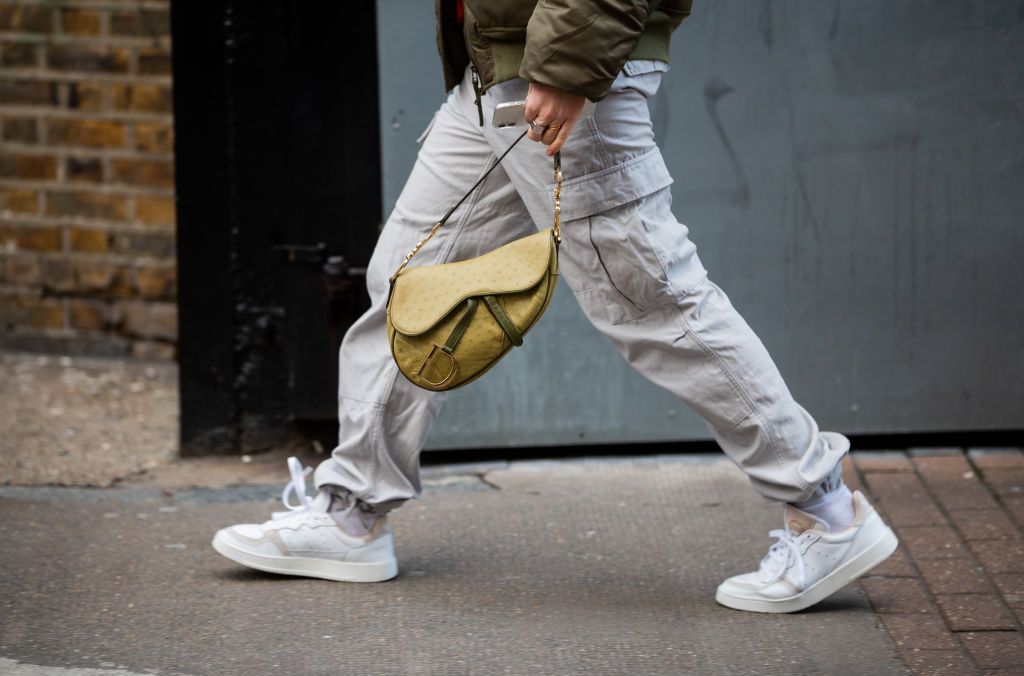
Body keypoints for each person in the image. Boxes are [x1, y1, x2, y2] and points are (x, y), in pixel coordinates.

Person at [211, 0, 897, 613]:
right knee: (409, 284)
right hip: (494, 70)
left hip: (564, 76)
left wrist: (568, 68)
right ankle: (352, 514)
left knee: (656, 306)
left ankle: (825, 511)